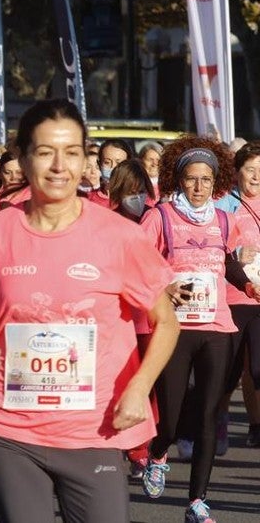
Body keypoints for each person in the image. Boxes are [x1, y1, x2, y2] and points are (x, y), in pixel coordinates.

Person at [0, 99, 180, 523]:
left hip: (94, 430)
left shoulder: (118, 237)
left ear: (85, 157)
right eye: (45, 152)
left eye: (72, 152)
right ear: (22, 158)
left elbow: (167, 321)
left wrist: (140, 386)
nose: (60, 166)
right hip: (10, 429)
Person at [138, 136, 248, 523]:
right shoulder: (160, 217)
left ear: (215, 182)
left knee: (207, 415)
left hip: (217, 325)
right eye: (191, 179)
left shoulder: (223, 219)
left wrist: (249, 283)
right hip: (174, 328)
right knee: (170, 416)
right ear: (178, 180)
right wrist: (164, 287)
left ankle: (197, 501)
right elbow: (137, 265)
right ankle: (157, 451)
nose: (199, 187)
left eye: (205, 179)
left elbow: (228, 263)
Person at [225, 143, 260, 447]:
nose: (257, 176)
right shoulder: (225, 204)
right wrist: (236, 253)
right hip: (232, 298)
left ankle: (256, 423)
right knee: (228, 373)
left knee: (257, 366)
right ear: (237, 173)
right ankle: (217, 423)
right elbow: (209, 245)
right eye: (250, 169)